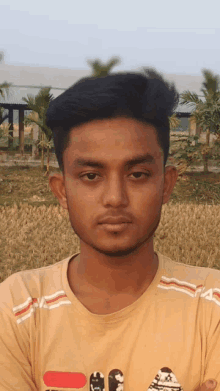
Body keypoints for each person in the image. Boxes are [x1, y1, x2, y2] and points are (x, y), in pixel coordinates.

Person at [0, 69, 219, 391]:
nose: (115, 198)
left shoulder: (211, 306)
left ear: (167, 184)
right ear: (61, 190)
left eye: (138, 174)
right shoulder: (17, 307)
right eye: (91, 176)